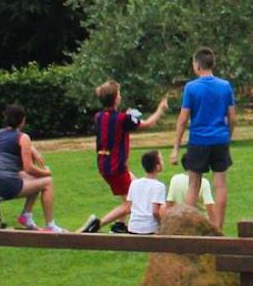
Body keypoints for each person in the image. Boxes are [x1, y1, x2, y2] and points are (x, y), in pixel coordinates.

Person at [83, 80, 169, 234]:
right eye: (119, 94)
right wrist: (160, 109)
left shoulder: (99, 116)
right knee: (130, 203)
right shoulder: (123, 119)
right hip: (117, 167)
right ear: (116, 98)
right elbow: (148, 123)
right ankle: (97, 224)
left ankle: (120, 225)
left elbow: (113, 124)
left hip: (104, 165)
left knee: (135, 186)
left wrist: (127, 115)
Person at [171, 47, 235, 232]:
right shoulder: (224, 86)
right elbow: (233, 117)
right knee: (220, 185)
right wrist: (227, 137)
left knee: (193, 185)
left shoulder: (191, 87)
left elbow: (183, 119)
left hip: (198, 141)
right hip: (219, 140)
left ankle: (190, 229)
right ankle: (218, 228)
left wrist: (176, 147)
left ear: (197, 65)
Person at [0, 104, 65, 232]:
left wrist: (33, 150)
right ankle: (50, 225)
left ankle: (26, 216)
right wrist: (46, 172)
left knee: (35, 179)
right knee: (47, 181)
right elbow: (28, 168)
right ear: (22, 120)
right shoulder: (23, 137)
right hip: (6, 185)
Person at [126, 150, 168, 235]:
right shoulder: (159, 186)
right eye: (161, 160)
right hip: (149, 229)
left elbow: (128, 208)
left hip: (133, 227)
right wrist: (162, 224)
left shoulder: (134, 183)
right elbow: (155, 212)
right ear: (157, 166)